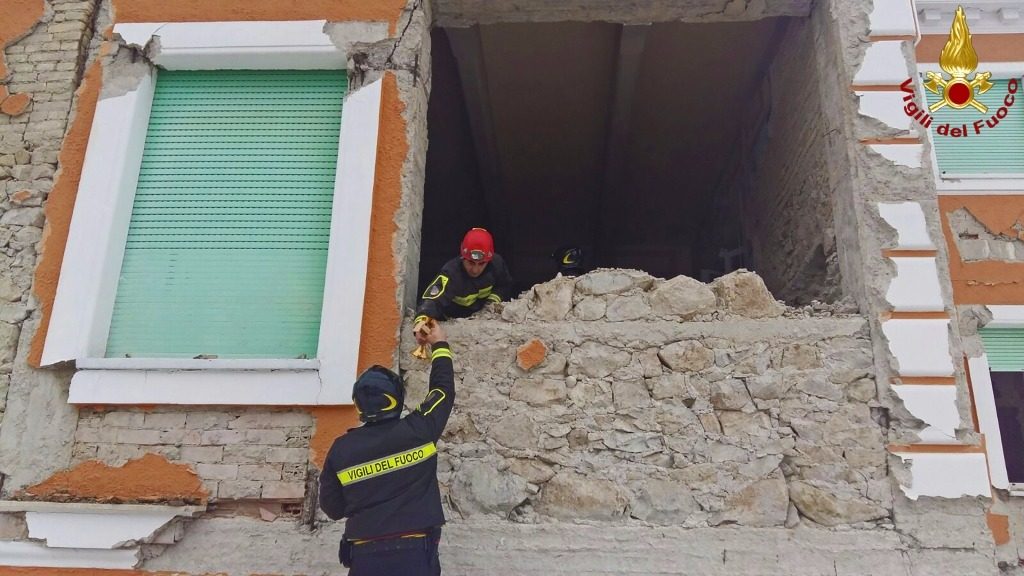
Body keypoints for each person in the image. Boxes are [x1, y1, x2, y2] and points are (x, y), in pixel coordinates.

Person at [319, 321, 454, 576]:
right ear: (396, 399)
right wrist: (439, 344)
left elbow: (333, 508)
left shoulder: (341, 450)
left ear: (358, 405)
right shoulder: (419, 430)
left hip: (363, 557)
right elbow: (443, 391)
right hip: (415, 554)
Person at [413, 227, 513, 345]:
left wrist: (492, 302)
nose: (475, 270)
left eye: (481, 263)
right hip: (454, 323)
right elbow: (432, 301)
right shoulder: (451, 273)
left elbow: (505, 285)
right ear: (463, 257)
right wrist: (422, 323)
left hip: (485, 326)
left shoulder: (496, 264)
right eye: (471, 262)